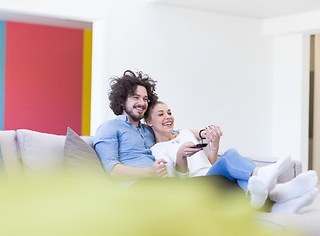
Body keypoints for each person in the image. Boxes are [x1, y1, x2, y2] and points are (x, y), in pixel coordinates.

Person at [144, 101, 319, 213]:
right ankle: (276, 194)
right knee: (232, 160)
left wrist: (215, 144)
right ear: (149, 122)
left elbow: (208, 163)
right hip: (198, 182)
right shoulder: (157, 150)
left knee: (236, 160)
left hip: (211, 173)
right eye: (161, 114)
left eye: (169, 112)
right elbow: (177, 182)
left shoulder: (185, 133)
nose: (168, 117)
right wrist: (181, 156)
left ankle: (270, 193)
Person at [93, 70, 239, 192]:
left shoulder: (147, 130)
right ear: (122, 101)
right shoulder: (109, 128)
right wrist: (149, 172)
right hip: (138, 187)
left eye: (145, 99)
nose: (142, 103)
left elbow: (176, 132)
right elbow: (111, 170)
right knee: (220, 182)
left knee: (226, 183)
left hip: (163, 183)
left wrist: (203, 133)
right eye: (136, 98)